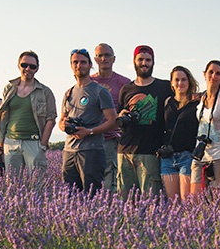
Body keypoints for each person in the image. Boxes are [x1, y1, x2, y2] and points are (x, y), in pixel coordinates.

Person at [0, 51, 56, 177]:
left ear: (37, 69)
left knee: (36, 184)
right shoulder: (9, 88)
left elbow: (51, 119)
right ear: (18, 66)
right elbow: (3, 117)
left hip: (33, 141)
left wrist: (43, 146)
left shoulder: (45, 91)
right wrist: (0, 145)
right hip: (10, 141)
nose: (28, 68)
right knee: (12, 184)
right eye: (24, 65)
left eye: (32, 66)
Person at [115, 45, 173, 199]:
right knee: (124, 201)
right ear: (134, 61)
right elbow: (119, 116)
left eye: (148, 60)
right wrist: (121, 114)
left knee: (151, 202)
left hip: (150, 152)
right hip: (125, 151)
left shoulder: (165, 87)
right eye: (140, 59)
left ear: (153, 62)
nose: (144, 63)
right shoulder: (126, 89)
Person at [59, 49, 117, 193]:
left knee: (92, 196)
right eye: (75, 62)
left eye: (83, 62)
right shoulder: (68, 93)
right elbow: (61, 120)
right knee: (70, 197)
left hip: (91, 150)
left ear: (90, 65)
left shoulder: (99, 91)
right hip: (69, 150)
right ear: (71, 66)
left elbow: (112, 121)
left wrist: (89, 131)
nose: (79, 65)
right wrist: (63, 125)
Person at [91, 42, 131, 191]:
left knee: (112, 180)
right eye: (99, 56)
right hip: (92, 138)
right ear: (95, 60)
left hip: (114, 139)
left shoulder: (124, 83)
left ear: (114, 58)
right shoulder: (89, 82)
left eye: (107, 55)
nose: (103, 59)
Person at [190, 60, 220, 196]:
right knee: (194, 200)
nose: (213, 76)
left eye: (218, 73)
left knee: (217, 202)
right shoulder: (201, 98)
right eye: (210, 72)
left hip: (219, 155)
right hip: (200, 155)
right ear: (204, 74)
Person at [159, 66, 201, 199]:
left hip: (186, 156)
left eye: (183, 80)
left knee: (186, 202)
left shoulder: (196, 103)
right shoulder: (167, 102)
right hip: (168, 157)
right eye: (176, 80)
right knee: (172, 205)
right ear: (171, 82)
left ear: (189, 82)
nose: (180, 83)